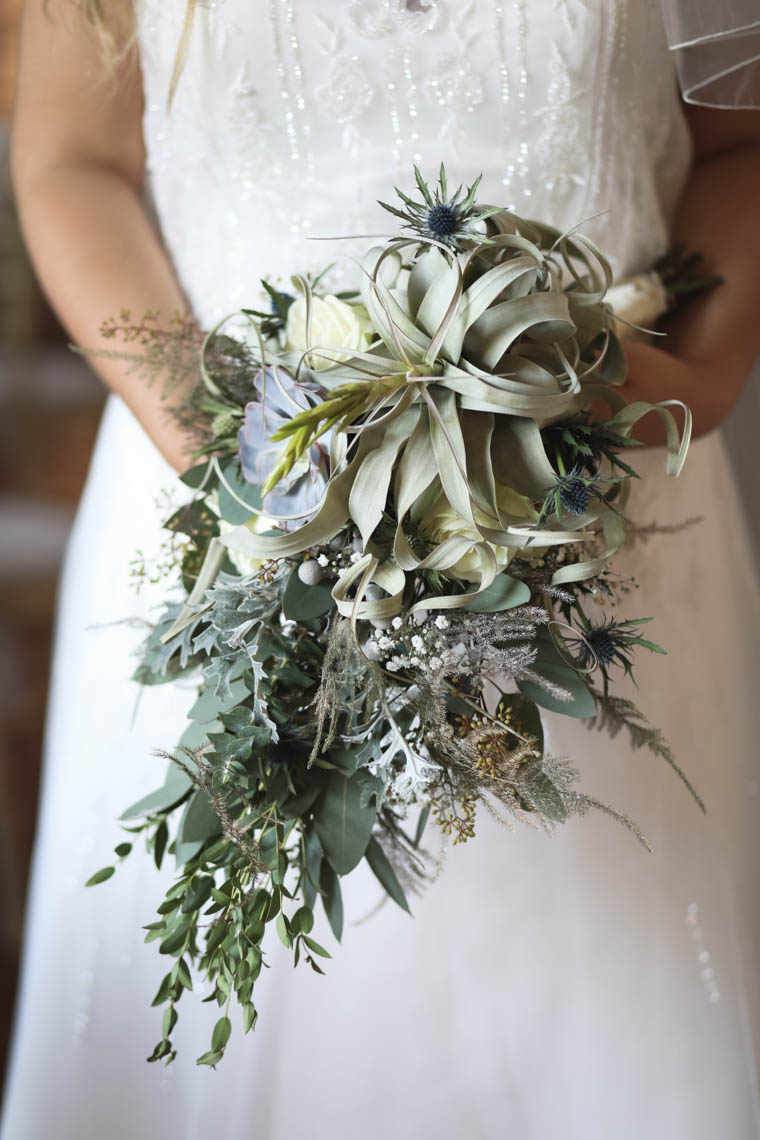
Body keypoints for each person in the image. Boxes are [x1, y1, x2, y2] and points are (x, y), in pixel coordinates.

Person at [3, 1, 760, 1136]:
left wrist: (687, 374)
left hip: (603, 506)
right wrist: (234, 455)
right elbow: (75, 158)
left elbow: (741, 142)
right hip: (232, 505)